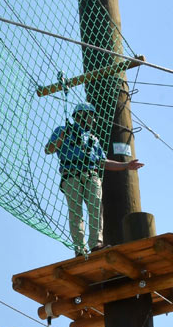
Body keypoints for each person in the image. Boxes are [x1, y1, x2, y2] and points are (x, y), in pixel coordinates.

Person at [45, 102, 144, 256]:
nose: (94, 121)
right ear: (82, 115)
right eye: (91, 116)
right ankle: (79, 248)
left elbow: (103, 162)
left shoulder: (92, 139)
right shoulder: (63, 131)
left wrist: (125, 165)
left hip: (91, 174)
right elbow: (48, 149)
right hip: (71, 175)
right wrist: (61, 138)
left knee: (96, 208)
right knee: (75, 212)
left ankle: (96, 243)